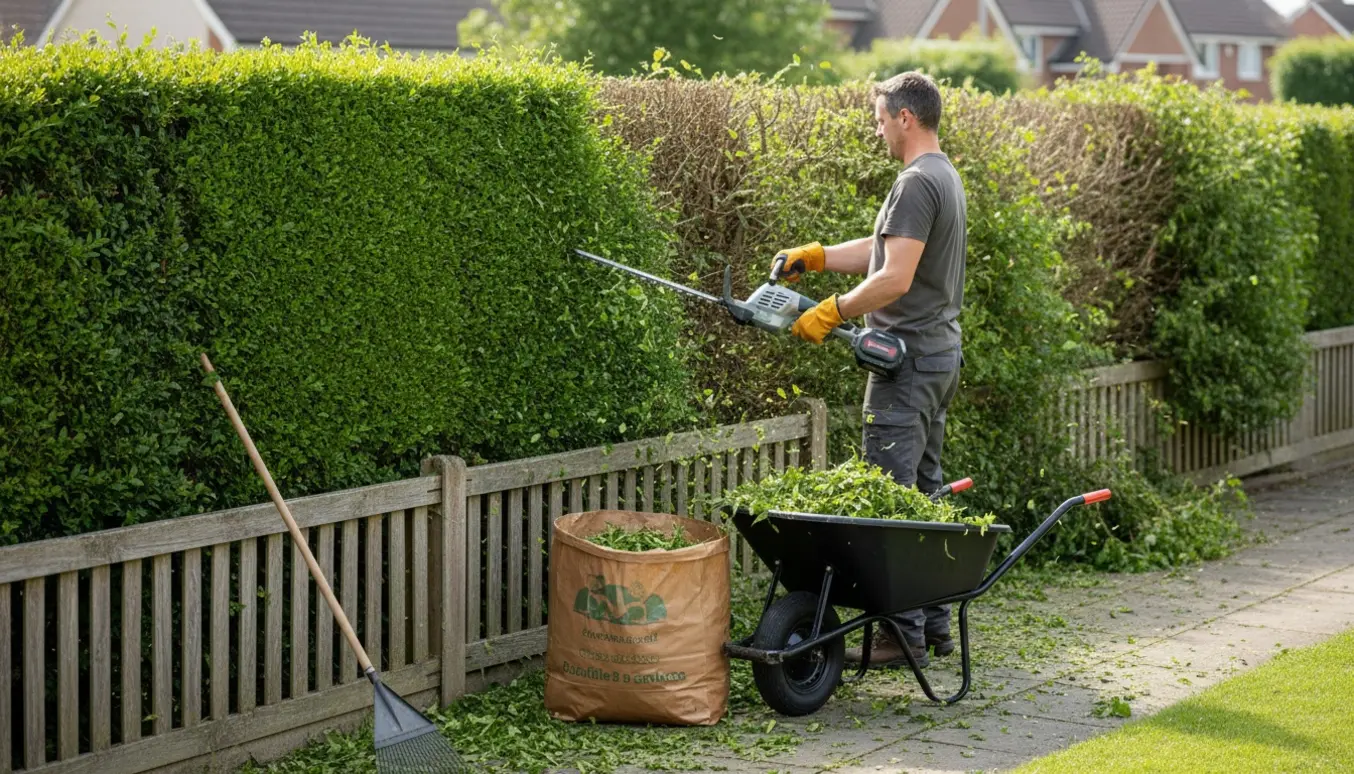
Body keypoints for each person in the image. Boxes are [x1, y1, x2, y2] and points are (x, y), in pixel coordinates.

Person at [778, 71, 967, 669]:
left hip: (906, 365)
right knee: (928, 496)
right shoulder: (941, 174)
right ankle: (936, 624)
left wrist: (832, 312)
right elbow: (886, 250)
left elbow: (894, 278)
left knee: (890, 499)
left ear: (905, 118)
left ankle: (900, 636)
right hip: (938, 356)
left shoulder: (916, 181)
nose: (876, 127)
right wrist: (819, 257)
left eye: (880, 117)